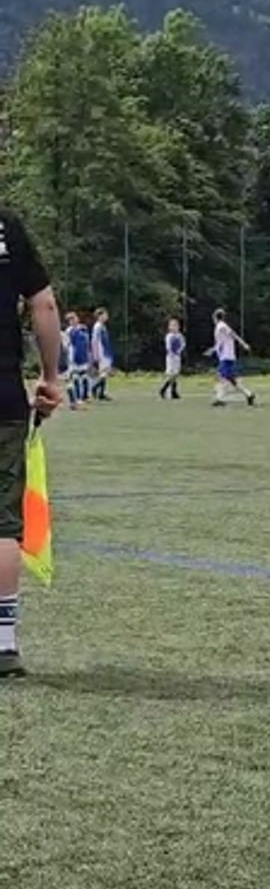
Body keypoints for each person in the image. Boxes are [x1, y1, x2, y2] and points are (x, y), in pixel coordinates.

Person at [0, 209, 62, 678]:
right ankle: (3, 643)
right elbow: (43, 304)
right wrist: (50, 376)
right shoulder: (7, 225)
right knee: (2, 523)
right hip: (2, 396)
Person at [209, 308, 255, 407]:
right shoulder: (220, 327)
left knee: (220, 376)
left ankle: (219, 398)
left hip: (227, 356)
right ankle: (249, 395)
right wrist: (213, 350)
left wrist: (243, 344)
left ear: (215, 318)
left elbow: (233, 334)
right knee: (231, 379)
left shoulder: (221, 326)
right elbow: (221, 342)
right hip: (226, 356)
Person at [65, 312, 91, 410]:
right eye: (70, 320)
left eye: (74, 318)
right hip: (73, 358)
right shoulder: (69, 331)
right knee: (75, 377)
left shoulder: (83, 329)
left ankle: (85, 396)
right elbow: (67, 345)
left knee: (84, 376)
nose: (73, 321)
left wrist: (89, 353)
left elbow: (86, 342)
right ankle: (77, 399)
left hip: (83, 356)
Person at [159, 318, 186, 400]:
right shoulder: (169, 336)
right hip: (170, 357)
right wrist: (172, 352)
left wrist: (179, 350)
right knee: (171, 374)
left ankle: (173, 392)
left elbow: (183, 344)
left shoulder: (180, 336)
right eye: (173, 325)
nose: (175, 327)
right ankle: (164, 390)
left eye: (176, 325)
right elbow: (168, 346)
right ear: (169, 327)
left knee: (176, 374)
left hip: (177, 357)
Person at [91, 307, 113, 401]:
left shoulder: (102, 326)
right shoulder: (98, 326)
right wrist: (96, 354)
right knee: (104, 372)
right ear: (100, 316)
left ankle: (101, 393)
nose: (106, 316)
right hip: (101, 352)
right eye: (105, 314)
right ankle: (94, 388)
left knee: (105, 373)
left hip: (106, 351)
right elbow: (94, 341)